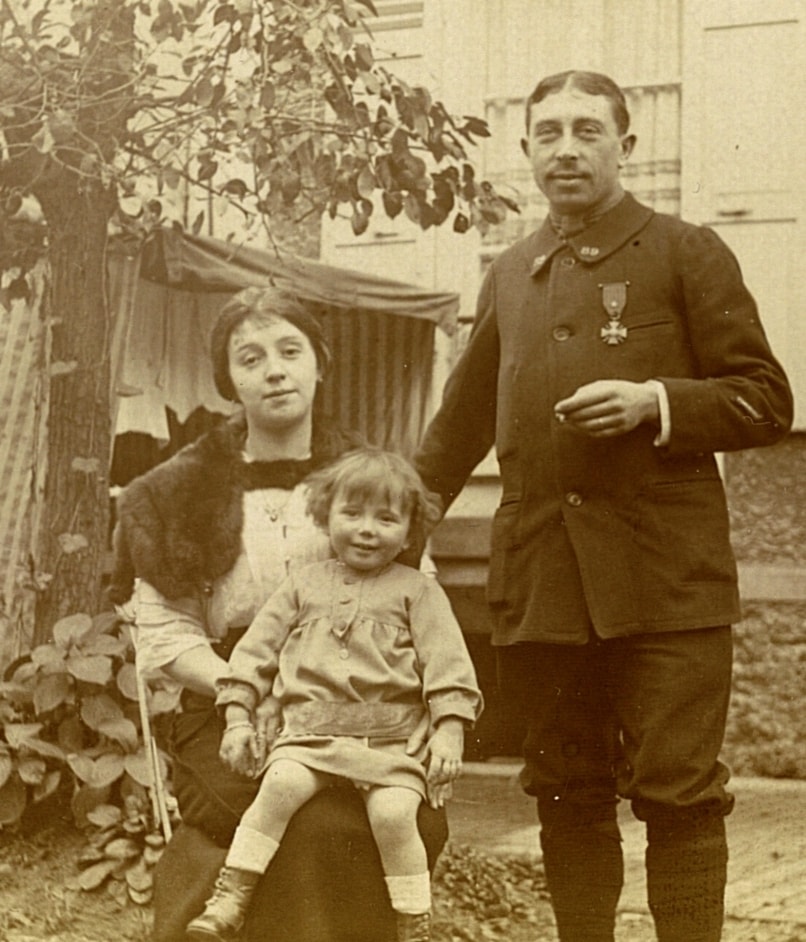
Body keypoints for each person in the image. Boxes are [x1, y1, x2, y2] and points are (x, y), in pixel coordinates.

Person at [414, 70, 794, 942]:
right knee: (566, 790)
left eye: (587, 130)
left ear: (627, 146)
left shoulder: (686, 251)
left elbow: (766, 400)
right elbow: (459, 425)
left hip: (668, 584)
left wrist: (654, 402)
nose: (567, 149)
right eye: (548, 133)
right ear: (525, 152)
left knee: (679, 791)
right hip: (545, 579)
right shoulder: (511, 273)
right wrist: (393, 526)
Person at [108, 287, 449, 942]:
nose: (274, 371)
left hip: (364, 703)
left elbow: (420, 609)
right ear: (229, 379)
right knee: (306, 819)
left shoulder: (375, 480)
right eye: (251, 358)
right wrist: (246, 688)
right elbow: (165, 634)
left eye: (291, 351)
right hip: (226, 708)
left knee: (400, 815)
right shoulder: (178, 488)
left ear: (320, 363)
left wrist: (432, 713)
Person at [185, 448, 483, 942]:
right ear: (326, 517)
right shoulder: (302, 586)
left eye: (386, 518)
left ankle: (413, 924)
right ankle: (231, 897)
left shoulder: (418, 592)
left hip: (390, 742)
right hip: (310, 735)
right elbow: (254, 653)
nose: (367, 529)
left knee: (393, 815)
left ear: (410, 532)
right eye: (352, 513)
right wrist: (238, 717)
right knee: (279, 787)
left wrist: (449, 731)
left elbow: (448, 666)